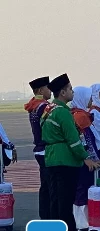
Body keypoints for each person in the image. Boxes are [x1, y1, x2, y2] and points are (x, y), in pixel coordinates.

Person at [41, 74, 100, 231]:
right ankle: (68, 230)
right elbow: (73, 140)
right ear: (62, 92)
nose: (72, 92)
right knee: (66, 196)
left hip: (51, 157)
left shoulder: (48, 109)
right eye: (70, 89)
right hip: (65, 158)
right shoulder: (63, 113)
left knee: (55, 196)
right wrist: (86, 157)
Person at [70, 86, 100, 231]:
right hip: (85, 161)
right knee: (83, 191)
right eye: (89, 97)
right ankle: (83, 224)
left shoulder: (75, 113)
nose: (91, 99)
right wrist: (92, 159)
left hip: (80, 160)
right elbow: (87, 141)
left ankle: (82, 223)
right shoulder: (81, 116)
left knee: (80, 190)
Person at [24, 76, 52, 219]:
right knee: (50, 187)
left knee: (45, 185)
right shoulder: (43, 107)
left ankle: (45, 216)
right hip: (46, 149)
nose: (50, 90)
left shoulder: (34, 105)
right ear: (40, 90)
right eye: (48, 88)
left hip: (39, 150)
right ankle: (50, 217)